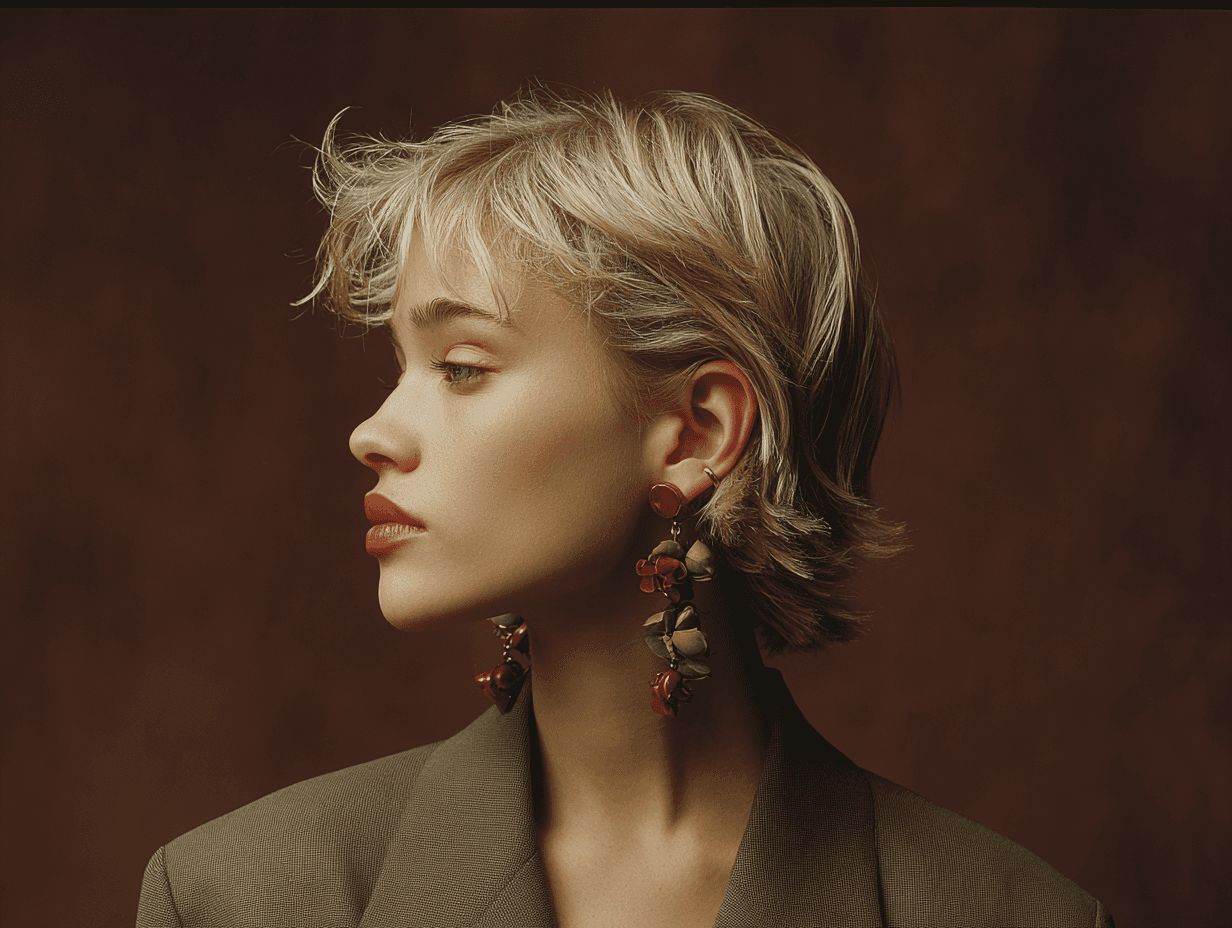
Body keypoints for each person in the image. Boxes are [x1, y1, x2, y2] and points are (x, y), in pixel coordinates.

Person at [136, 89, 1112, 927]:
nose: (372, 432)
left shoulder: (1013, 914)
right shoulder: (239, 898)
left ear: (697, 430)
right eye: (401, 366)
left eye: (461, 366)